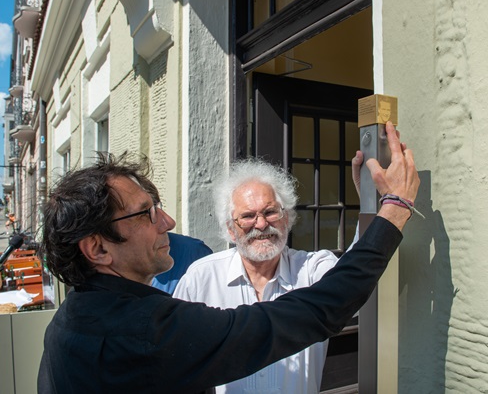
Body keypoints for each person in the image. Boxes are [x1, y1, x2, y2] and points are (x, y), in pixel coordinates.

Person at [37, 121, 419, 394]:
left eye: (271, 212)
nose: (168, 222)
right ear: (98, 249)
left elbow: (344, 285)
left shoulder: (68, 323)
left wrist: (372, 209)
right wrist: (396, 207)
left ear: (287, 216)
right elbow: (319, 308)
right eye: (146, 213)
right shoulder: (156, 320)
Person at [173, 156, 361, 393]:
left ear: (287, 218)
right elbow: (175, 361)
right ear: (231, 229)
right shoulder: (201, 279)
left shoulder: (313, 271)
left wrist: (371, 204)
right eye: (248, 216)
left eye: (270, 212)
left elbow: (355, 282)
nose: (261, 224)